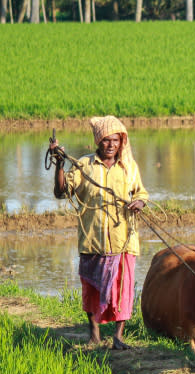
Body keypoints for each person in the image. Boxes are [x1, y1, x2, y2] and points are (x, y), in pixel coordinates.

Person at [50, 116, 148, 350]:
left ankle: (118, 336)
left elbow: (142, 193)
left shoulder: (129, 168)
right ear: (98, 142)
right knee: (91, 288)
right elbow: (61, 191)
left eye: (115, 140)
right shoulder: (84, 165)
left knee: (123, 288)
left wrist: (139, 203)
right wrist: (59, 164)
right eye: (106, 140)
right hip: (92, 240)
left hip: (123, 240)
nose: (111, 145)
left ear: (121, 142)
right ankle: (94, 334)